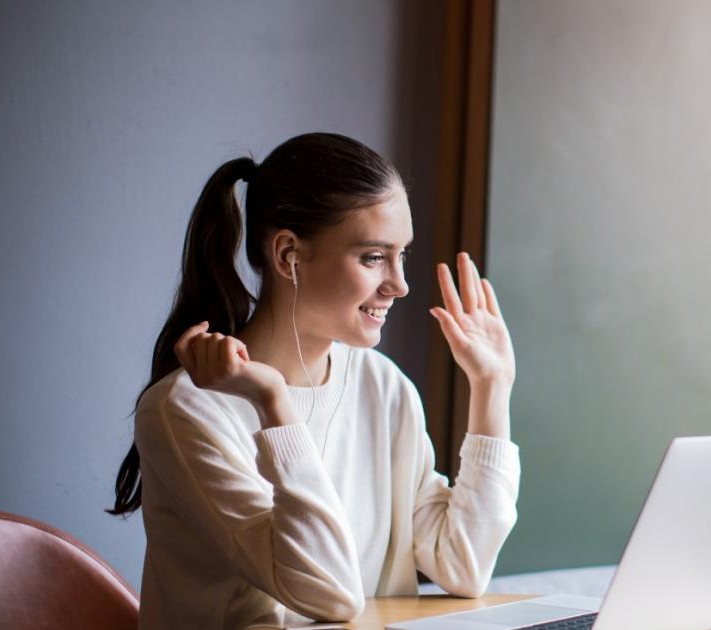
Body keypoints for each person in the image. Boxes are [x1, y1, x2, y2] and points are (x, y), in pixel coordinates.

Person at [105, 132, 519, 629]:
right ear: (287, 256)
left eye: (402, 254)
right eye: (373, 257)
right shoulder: (186, 410)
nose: (400, 284)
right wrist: (274, 404)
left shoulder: (383, 387)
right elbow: (328, 595)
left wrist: (492, 386)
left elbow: (464, 566)